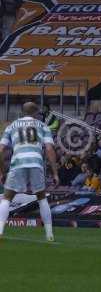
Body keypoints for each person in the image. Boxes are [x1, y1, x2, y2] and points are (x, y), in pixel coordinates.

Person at [0, 102, 59, 241]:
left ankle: (0, 231)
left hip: (18, 163)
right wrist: (55, 173)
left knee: (7, 198)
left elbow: (1, 150)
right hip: (36, 163)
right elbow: (50, 149)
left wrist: (1, 171)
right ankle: (49, 235)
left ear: (22, 112)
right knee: (42, 198)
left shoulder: (11, 126)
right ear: (36, 112)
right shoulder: (43, 126)